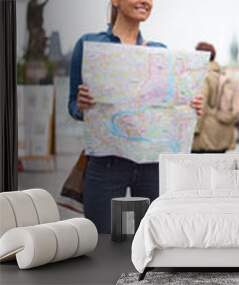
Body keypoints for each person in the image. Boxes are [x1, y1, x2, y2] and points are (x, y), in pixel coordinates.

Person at [68, 0, 204, 233]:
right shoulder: (89, 44)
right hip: (106, 162)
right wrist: (82, 105)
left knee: (153, 241)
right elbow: (72, 105)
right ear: (115, 1)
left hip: (153, 164)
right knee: (102, 241)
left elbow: (168, 107)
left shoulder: (160, 51)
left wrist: (190, 106)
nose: (145, 1)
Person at [192, 42, 239, 153]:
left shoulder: (204, 76)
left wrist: (194, 130)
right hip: (224, 135)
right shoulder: (224, 76)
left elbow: (201, 107)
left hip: (205, 136)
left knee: (201, 169)